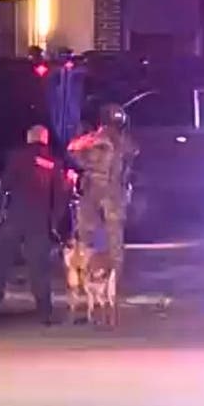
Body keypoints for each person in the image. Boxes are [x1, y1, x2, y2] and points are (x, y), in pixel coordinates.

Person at [0, 125, 70, 322]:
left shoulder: (17, 156)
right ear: (45, 140)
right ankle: (44, 308)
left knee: (2, 260)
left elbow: (5, 184)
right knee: (39, 265)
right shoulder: (54, 162)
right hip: (40, 220)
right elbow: (60, 196)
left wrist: (0, 190)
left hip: (16, 216)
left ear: (29, 138)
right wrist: (53, 221)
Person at [68, 103, 139, 276]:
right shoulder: (125, 141)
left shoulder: (91, 139)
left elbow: (72, 151)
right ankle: (113, 274)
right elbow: (134, 153)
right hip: (114, 191)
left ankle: (86, 270)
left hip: (92, 188)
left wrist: (86, 164)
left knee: (86, 232)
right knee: (114, 234)